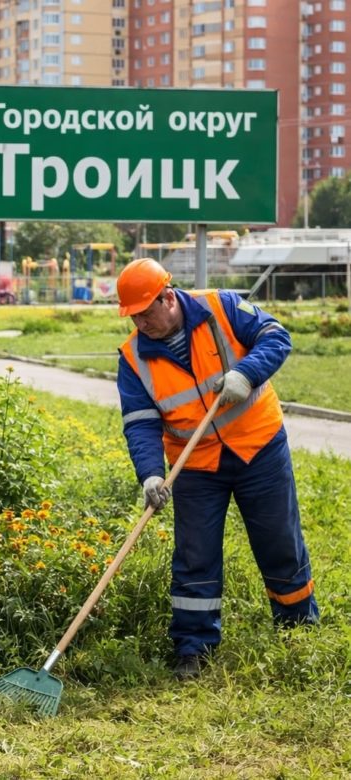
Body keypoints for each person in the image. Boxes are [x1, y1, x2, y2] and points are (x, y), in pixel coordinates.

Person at [115, 258, 319, 680]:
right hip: (194, 465)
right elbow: (140, 422)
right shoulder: (133, 358)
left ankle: (298, 630)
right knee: (195, 555)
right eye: (133, 315)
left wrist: (246, 373)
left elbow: (275, 336)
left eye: (146, 312)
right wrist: (151, 474)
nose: (141, 322)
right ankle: (193, 649)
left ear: (168, 297)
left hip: (258, 447)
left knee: (279, 540)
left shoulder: (221, 307)